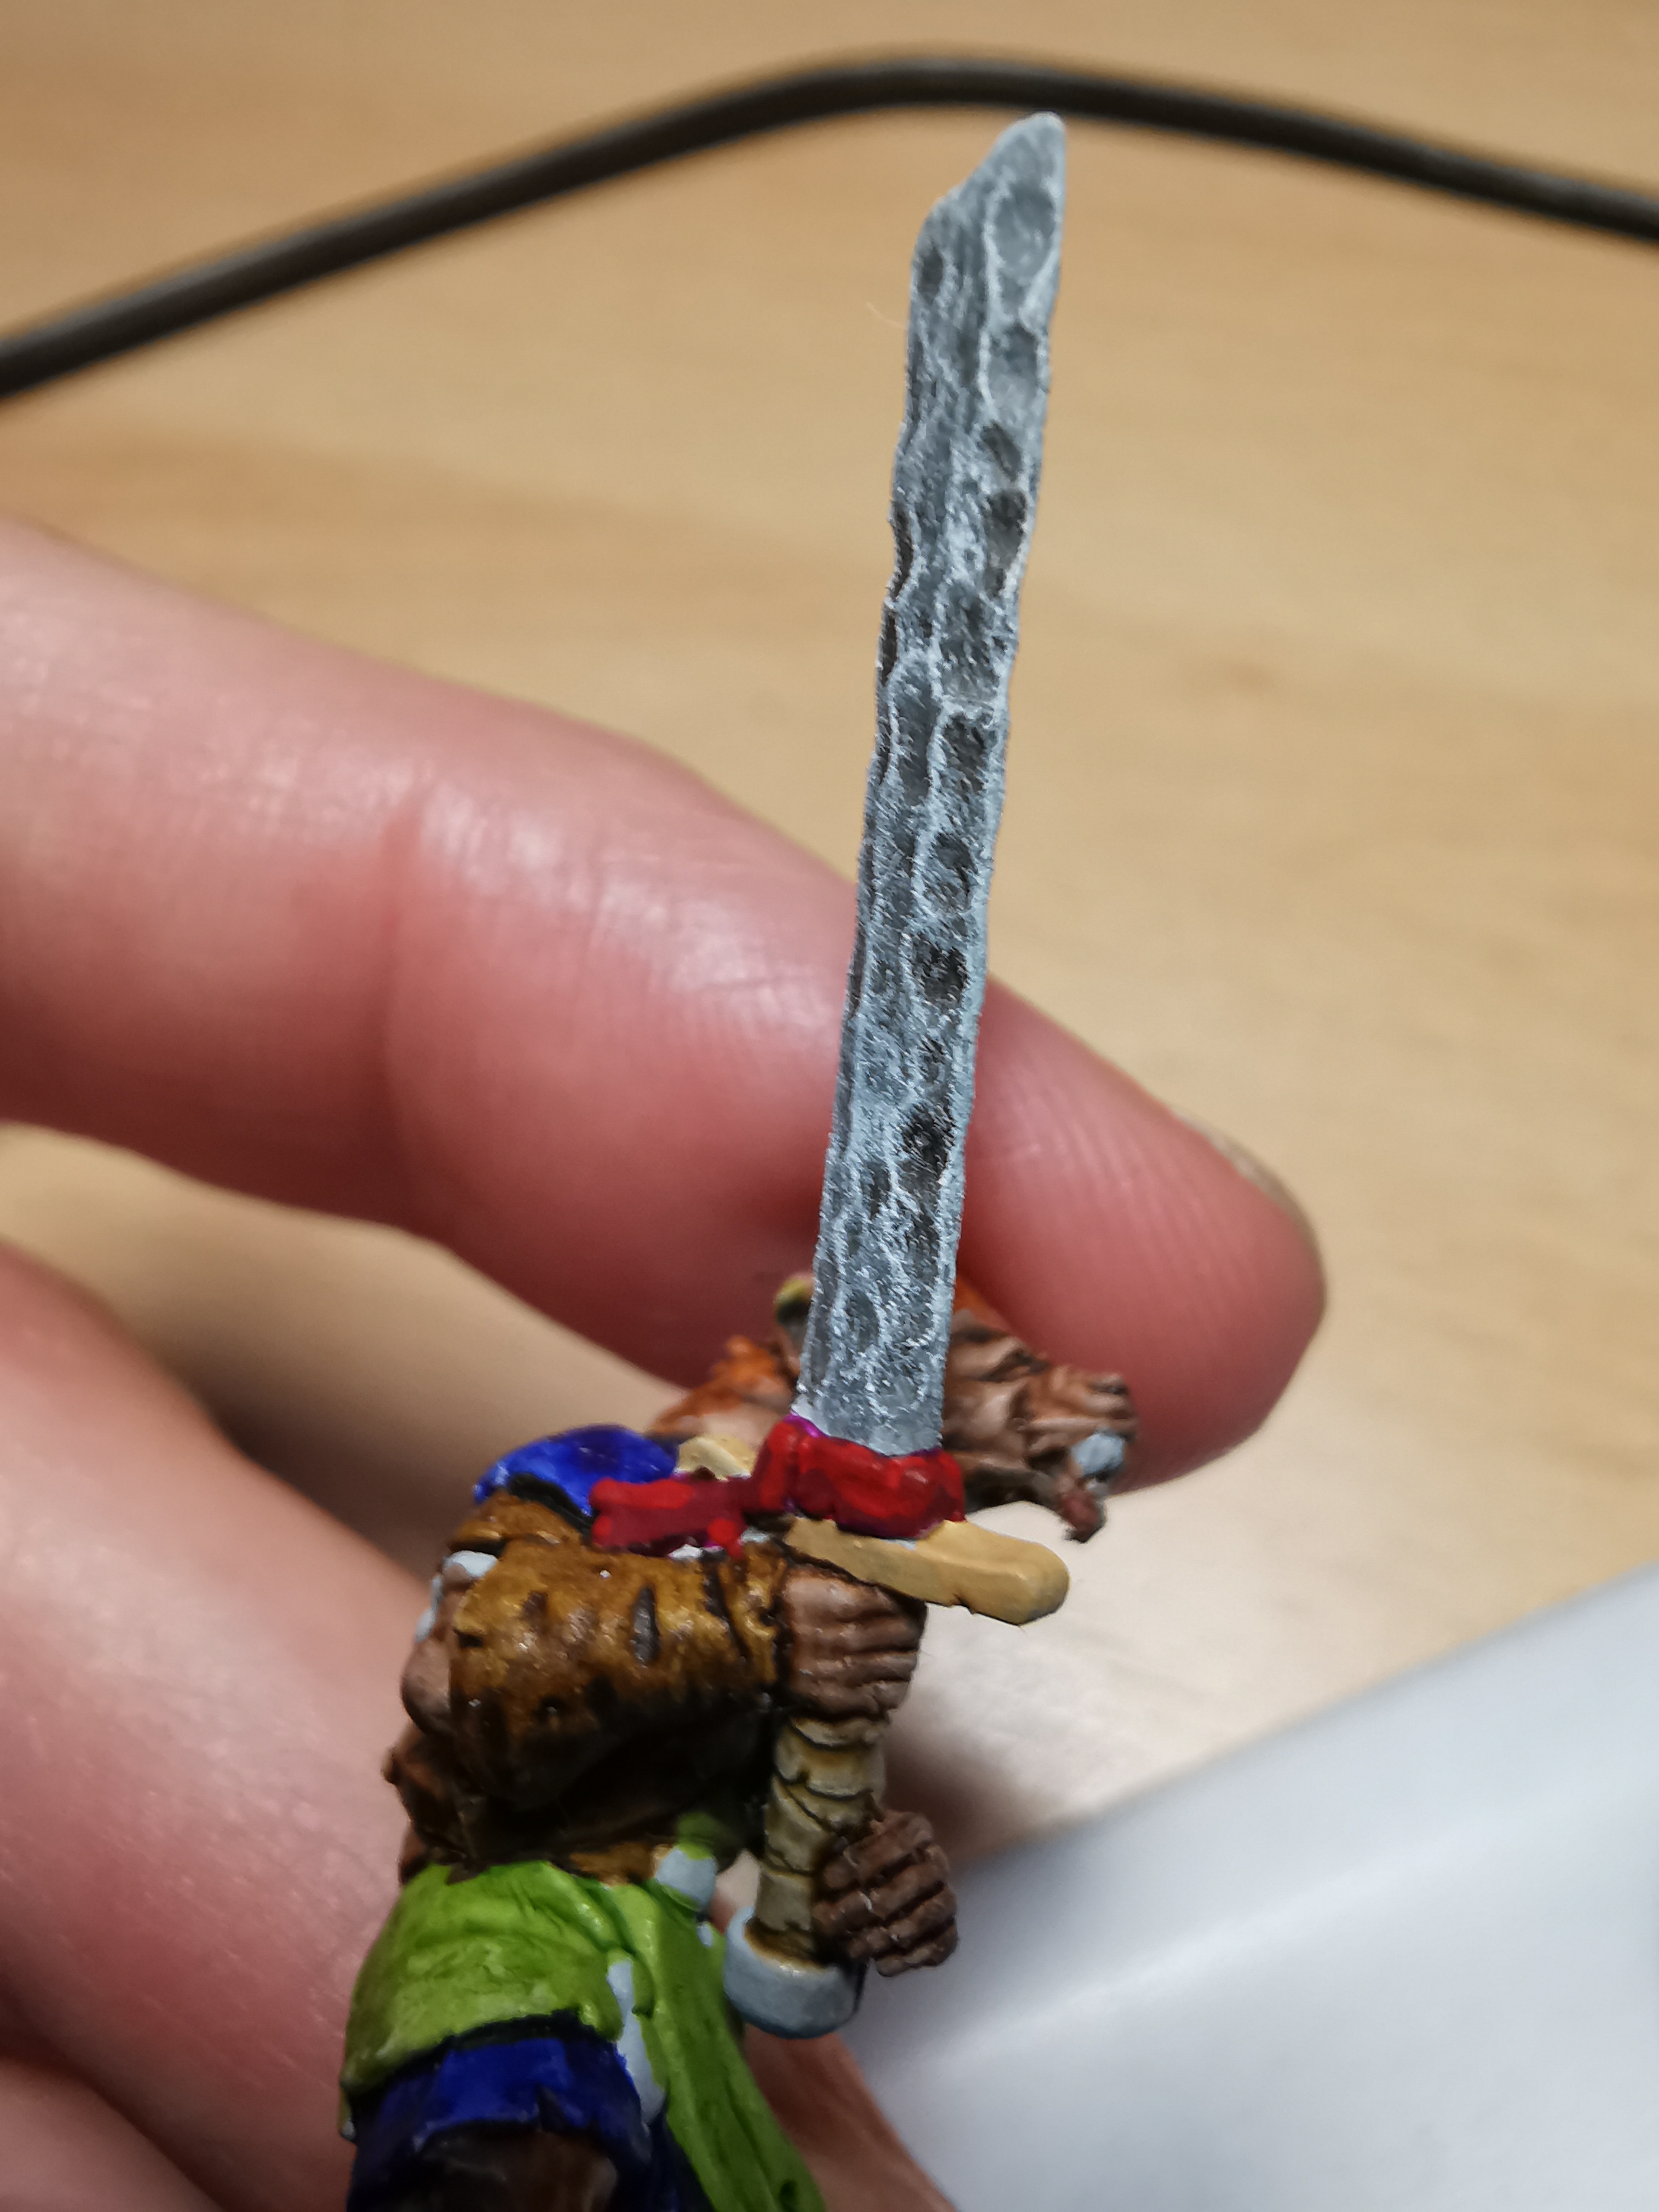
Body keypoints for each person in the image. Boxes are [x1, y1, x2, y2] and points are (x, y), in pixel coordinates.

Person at [0, 520, 1323, 2211]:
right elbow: (480, 1670)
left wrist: (868, 1892)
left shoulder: (832, 1592)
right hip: (512, 1956)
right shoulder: (600, 1490)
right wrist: (757, 1627)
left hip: (685, 2014)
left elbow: (787, 1863)